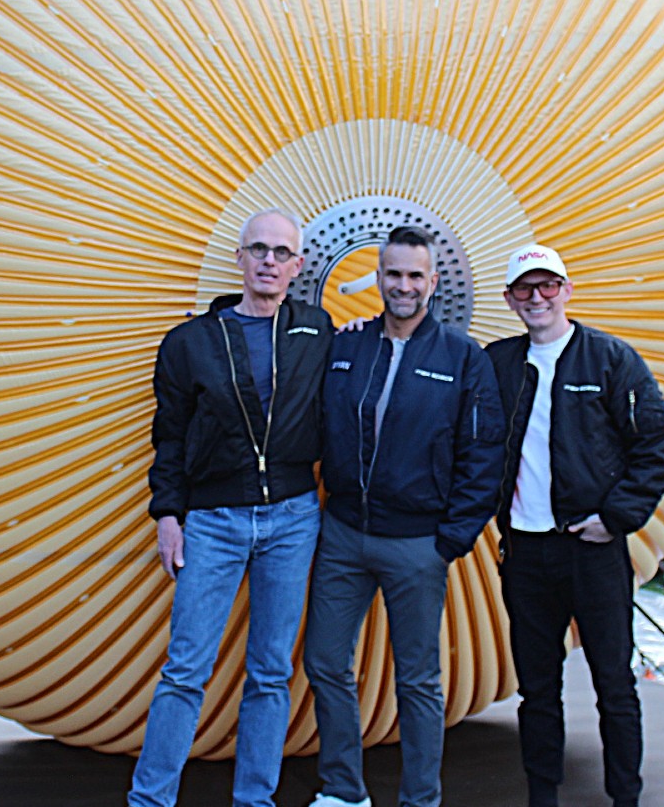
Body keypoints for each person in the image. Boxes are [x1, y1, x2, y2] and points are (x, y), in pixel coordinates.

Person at [130, 208, 334, 807]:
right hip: (213, 522)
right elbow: (169, 435)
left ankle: (255, 799)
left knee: (271, 672)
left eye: (281, 253)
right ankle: (151, 799)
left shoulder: (317, 331)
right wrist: (168, 515)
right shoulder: (191, 342)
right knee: (185, 669)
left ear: (298, 266)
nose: (269, 262)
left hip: (294, 516)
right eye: (259, 250)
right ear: (239, 259)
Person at [303, 225, 505, 807]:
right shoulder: (348, 346)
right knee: (324, 661)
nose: (404, 286)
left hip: (418, 543)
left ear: (433, 282)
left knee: (417, 680)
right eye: (393, 274)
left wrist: (451, 540)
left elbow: (483, 454)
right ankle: (344, 790)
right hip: (343, 533)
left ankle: (420, 799)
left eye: (415, 275)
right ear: (380, 278)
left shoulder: (462, 358)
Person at [485, 244, 664, 807]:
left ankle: (626, 797)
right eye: (525, 288)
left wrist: (615, 518)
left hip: (593, 550)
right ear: (509, 299)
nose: (538, 297)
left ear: (567, 291)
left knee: (614, 686)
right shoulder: (498, 363)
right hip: (525, 553)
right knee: (537, 690)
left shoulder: (610, 360)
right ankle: (541, 795)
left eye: (548, 285)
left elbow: (658, 445)